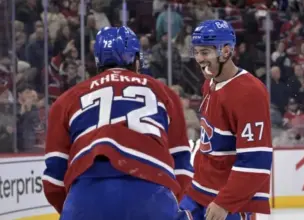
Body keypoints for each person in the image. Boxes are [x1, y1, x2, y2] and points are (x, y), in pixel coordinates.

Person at [42, 26, 193, 220]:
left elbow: (53, 179)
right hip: (152, 192)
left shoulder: (66, 99)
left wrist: (76, 209)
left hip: (86, 196)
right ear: (136, 60)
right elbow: (181, 165)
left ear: (97, 62)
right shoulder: (164, 92)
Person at [179, 19, 272, 220]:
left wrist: (225, 202)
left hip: (226, 203)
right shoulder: (210, 83)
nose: (198, 58)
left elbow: (257, 160)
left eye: (205, 52)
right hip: (197, 193)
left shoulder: (250, 93)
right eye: (196, 52)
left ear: (226, 51)